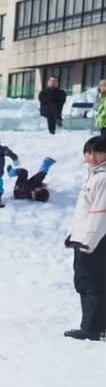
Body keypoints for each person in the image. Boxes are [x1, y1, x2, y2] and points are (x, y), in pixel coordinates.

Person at [63, 136, 106, 341]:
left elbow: (100, 214)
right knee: (85, 281)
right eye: (88, 152)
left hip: (95, 241)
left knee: (91, 283)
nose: (91, 156)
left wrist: (88, 241)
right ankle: (96, 326)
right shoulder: (93, 176)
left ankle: (92, 328)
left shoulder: (103, 178)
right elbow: (84, 212)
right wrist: (74, 235)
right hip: (85, 238)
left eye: (97, 152)